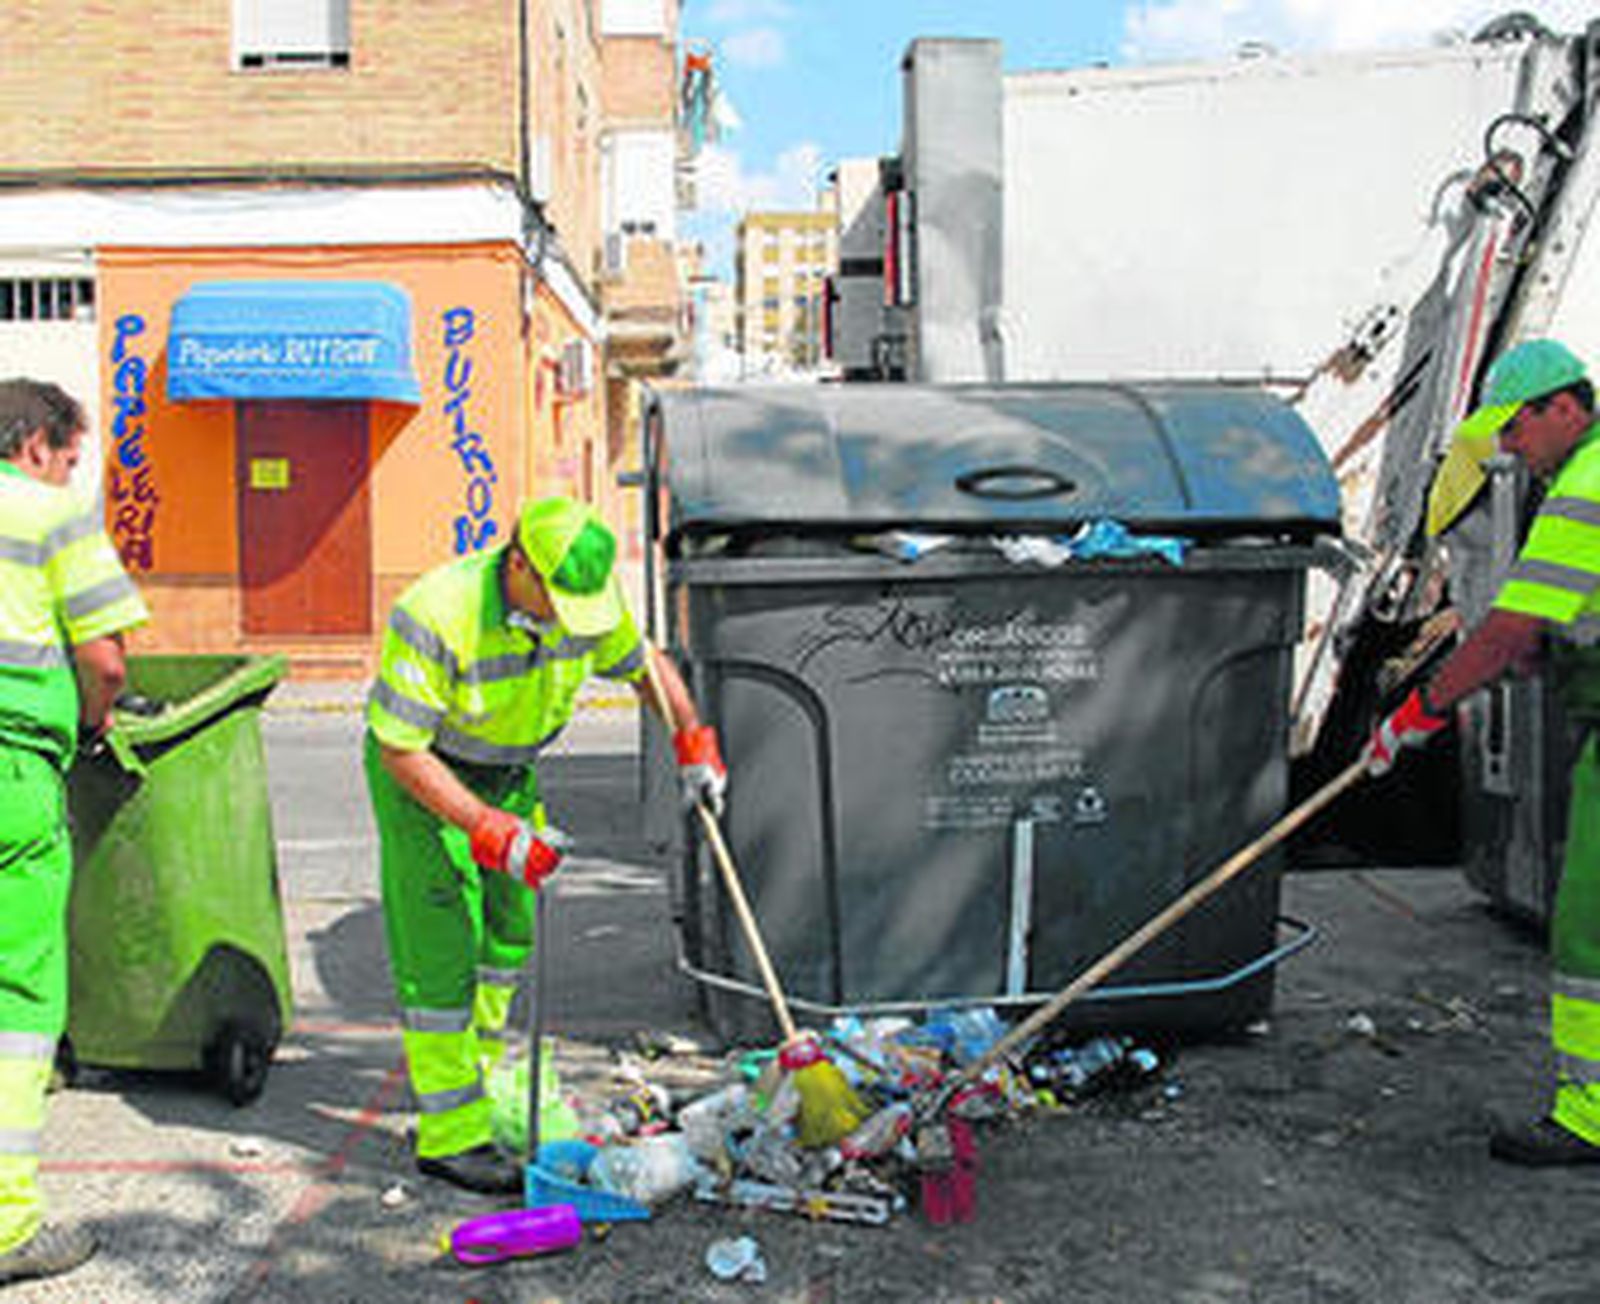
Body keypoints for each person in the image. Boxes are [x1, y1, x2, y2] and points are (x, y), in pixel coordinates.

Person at [364, 494, 726, 1194]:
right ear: (520, 563)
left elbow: (644, 667)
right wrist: (487, 830)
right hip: (428, 779)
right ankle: (450, 1133)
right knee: (440, 950)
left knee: (508, 931)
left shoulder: (585, 595)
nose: (569, 618)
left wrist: (693, 741)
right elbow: (400, 750)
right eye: (557, 599)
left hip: (507, 774)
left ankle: (483, 1068)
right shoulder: (436, 611)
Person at [1369, 337, 1600, 1166]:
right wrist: (1557, 642)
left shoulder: (1584, 487)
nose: (1507, 447)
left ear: (1566, 408)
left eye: (1515, 428)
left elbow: (1502, 634)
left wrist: (1417, 714)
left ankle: (1592, 1113)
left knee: (1588, 925)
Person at [0, 379, 147, 1284]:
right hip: (11, 769)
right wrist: (94, 723)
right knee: (18, 1001)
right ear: (38, 446)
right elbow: (104, 657)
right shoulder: (46, 513)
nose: (72, 474)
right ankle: (9, 1223)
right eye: (71, 457)